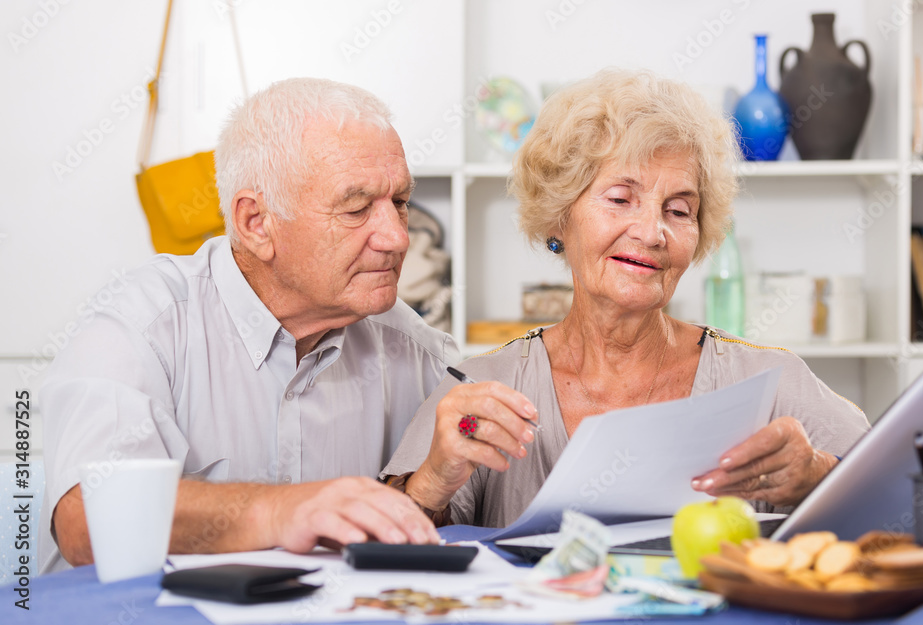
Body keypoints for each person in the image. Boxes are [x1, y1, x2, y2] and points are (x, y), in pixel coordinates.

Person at [380, 68, 871, 528]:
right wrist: (432, 482)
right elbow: (385, 557)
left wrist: (819, 476)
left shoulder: (768, 383)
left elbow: (903, 496)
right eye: (620, 199)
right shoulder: (483, 390)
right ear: (559, 216)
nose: (653, 232)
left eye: (679, 210)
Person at [40, 78, 457, 572]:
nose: (397, 238)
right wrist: (284, 510)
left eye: (400, 203)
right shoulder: (140, 325)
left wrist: (429, 485)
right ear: (256, 223)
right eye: (356, 208)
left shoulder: (416, 350)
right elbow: (88, 522)